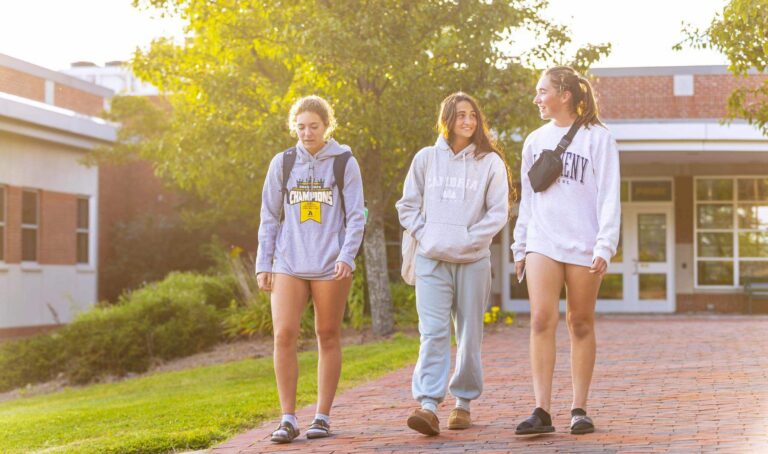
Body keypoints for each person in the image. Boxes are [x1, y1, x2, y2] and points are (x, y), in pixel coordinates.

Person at [511, 66, 620, 435]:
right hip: (543, 240)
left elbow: (609, 195)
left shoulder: (599, 139)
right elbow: (527, 199)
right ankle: (541, 409)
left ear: (565, 94)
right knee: (542, 319)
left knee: (580, 322)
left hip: (584, 242)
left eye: (542, 91)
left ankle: (579, 408)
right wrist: (520, 244)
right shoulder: (533, 140)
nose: (537, 98)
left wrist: (605, 243)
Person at [396, 92, 511, 435]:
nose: (467, 121)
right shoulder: (426, 158)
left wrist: (469, 238)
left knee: (469, 333)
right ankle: (428, 405)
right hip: (431, 258)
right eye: (460, 115)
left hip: (473, 261)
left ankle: (463, 402)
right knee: (432, 333)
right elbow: (407, 206)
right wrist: (427, 235)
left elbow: (498, 213)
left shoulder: (490, 162)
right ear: (447, 118)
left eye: (472, 115)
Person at [255, 95, 365, 443]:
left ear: (326, 126)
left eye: (313, 126)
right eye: (301, 127)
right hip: (288, 262)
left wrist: (347, 256)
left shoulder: (344, 162)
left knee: (327, 334)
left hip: (330, 263)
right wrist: (264, 262)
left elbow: (356, 215)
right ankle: (287, 418)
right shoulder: (283, 163)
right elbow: (270, 216)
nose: (307, 133)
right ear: (294, 128)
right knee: (283, 334)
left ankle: (322, 416)